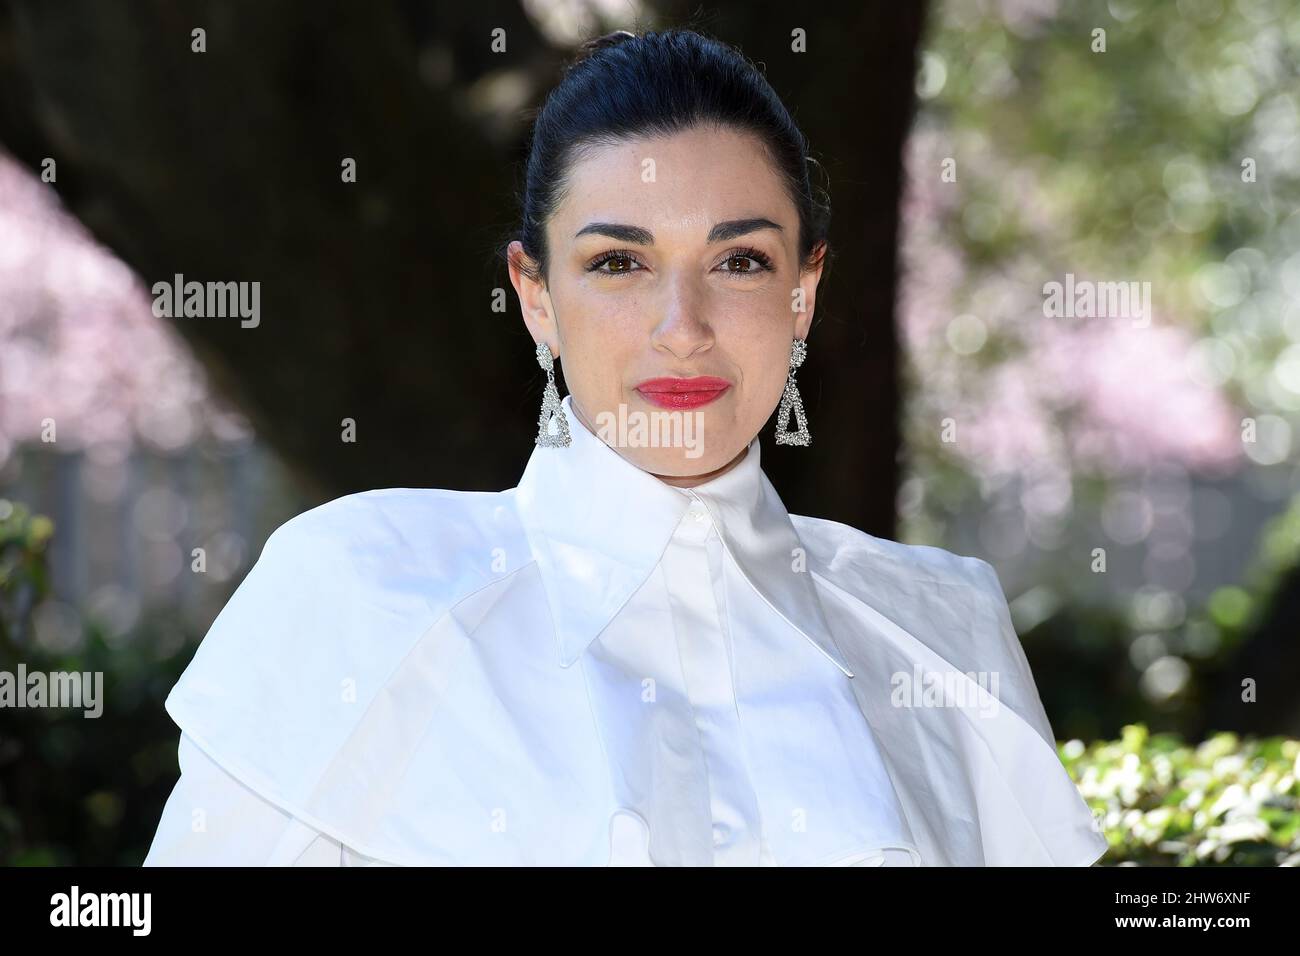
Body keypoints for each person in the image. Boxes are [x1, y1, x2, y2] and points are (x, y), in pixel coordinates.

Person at [143, 28, 1107, 867]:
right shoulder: (365, 595)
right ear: (536, 296)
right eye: (618, 263)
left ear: (804, 292)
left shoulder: (940, 631)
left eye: (740, 261)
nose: (681, 326)